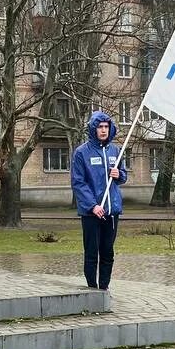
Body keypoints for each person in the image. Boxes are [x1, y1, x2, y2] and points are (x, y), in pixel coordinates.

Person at [71, 109, 127, 290]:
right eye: (100, 127)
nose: (103, 130)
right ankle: (91, 287)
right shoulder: (82, 153)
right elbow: (78, 183)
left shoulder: (115, 151)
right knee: (92, 252)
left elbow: (123, 176)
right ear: (93, 129)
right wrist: (92, 205)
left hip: (111, 212)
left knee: (107, 252)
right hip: (92, 213)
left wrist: (119, 174)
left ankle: (104, 288)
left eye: (106, 126)